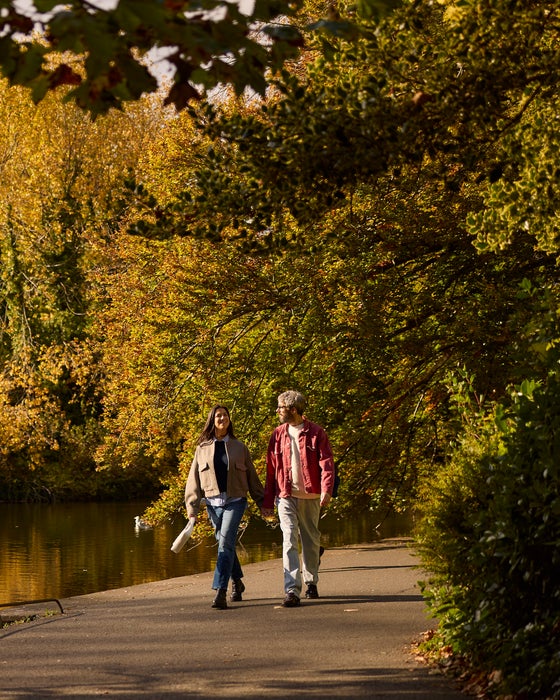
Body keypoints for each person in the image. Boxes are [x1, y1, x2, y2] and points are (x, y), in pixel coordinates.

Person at [185, 404, 264, 609]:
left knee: (225, 541)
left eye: (225, 415)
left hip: (236, 501)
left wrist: (262, 502)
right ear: (213, 420)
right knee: (225, 542)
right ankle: (237, 582)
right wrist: (192, 509)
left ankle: (220, 590)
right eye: (218, 415)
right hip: (212, 503)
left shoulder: (239, 447)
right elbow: (193, 481)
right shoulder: (201, 449)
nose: (223, 418)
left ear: (229, 420)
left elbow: (252, 477)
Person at [261, 390, 335, 607]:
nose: (277, 411)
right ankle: (292, 590)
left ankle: (311, 581)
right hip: (285, 495)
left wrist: (326, 490)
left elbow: (327, 463)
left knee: (311, 540)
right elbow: (270, 469)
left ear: (293, 410)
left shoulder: (316, 433)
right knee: (289, 537)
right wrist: (267, 502)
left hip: (311, 495)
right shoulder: (277, 434)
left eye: (280, 407)